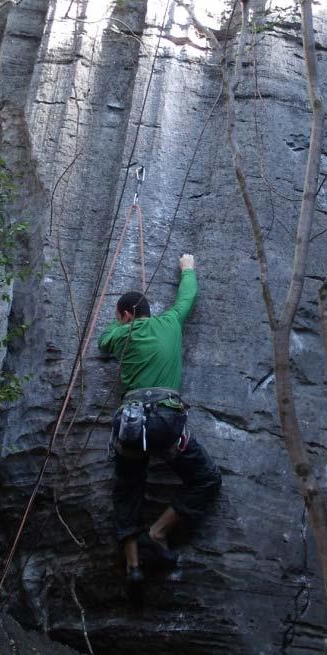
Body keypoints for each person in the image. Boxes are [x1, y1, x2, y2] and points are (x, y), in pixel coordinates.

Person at [98, 253, 221, 590]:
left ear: (125, 315)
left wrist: (120, 327)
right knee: (206, 479)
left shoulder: (122, 333)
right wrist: (189, 268)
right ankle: (159, 531)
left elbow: (103, 342)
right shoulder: (171, 322)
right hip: (167, 422)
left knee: (128, 490)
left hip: (132, 423)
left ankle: (134, 566)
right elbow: (187, 298)